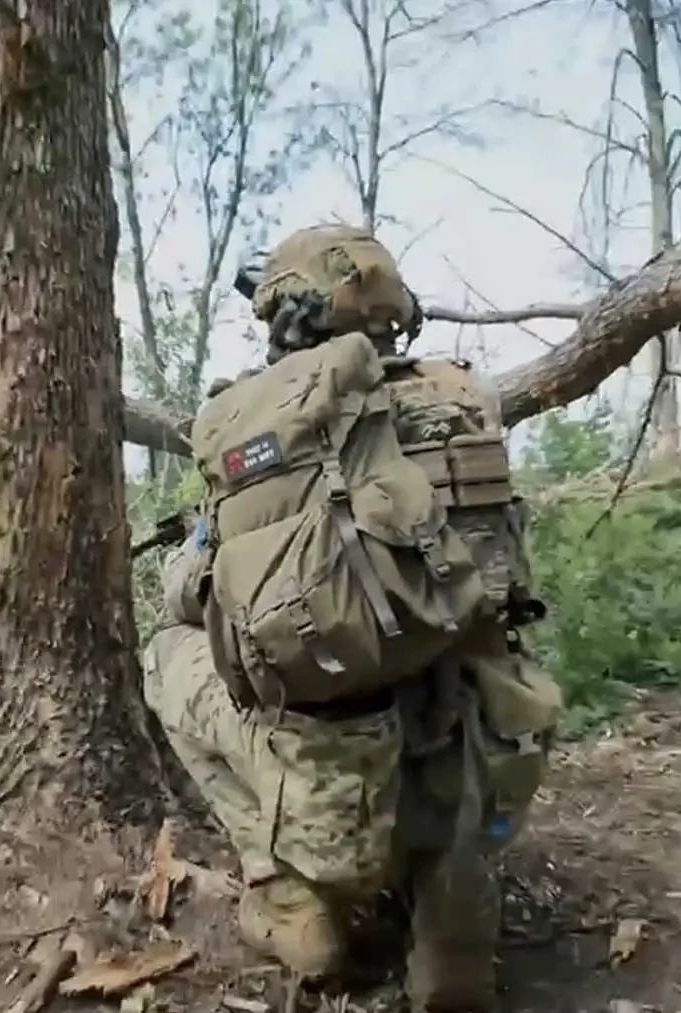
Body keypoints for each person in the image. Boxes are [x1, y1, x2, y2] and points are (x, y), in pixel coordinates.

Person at [141, 225, 562, 1012]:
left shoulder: (255, 419)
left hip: (332, 787)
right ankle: (451, 921)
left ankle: (289, 898)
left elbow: (198, 597)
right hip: (474, 763)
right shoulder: (462, 398)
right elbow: (505, 576)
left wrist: (203, 549)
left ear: (283, 312)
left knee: (166, 655)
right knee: (481, 659)